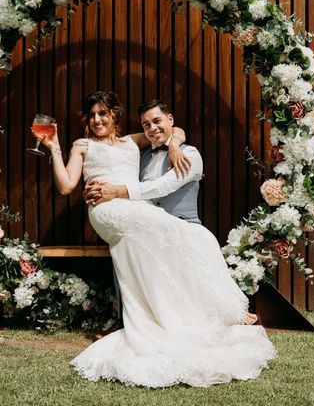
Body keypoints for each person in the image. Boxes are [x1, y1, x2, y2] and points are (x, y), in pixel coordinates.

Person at [41, 91, 276, 388]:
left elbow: (172, 129)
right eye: (92, 115)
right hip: (107, 210)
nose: (97, 119)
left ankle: (196, 314)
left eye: (103, 113)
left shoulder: (133, 141)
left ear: (115, 116)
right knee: (187, 233)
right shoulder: (83, 145)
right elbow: (65, 186)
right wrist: (55, 147)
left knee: (193, 236)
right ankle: (215, 310)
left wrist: (175, 144)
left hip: (138, 207)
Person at [82, 99, 258, 328]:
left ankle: (223, 310)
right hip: (146, 224)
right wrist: (94, 188)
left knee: (200, 239)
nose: (152, 128)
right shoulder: (141, 157)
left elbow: (162, 186)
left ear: (170, 120)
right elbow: (120, 174)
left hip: (182, 222)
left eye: (157, 121)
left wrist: (117, 191)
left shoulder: (190, 155)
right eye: (146, 125)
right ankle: (133, 318)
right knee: (128, 243)